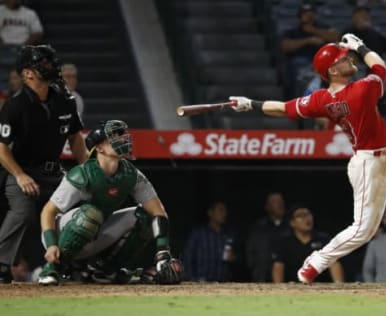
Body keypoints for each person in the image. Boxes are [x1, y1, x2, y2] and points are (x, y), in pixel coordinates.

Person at [228, 33, 386, 285]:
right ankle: (316, 261)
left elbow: (283, 107)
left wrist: (250, 104)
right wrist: (361, 45)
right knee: (363, 230)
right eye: (344, 59)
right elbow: (379, 66)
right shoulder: (360, 91)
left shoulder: (322, 99)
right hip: (369, 163)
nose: (350, 59)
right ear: (333, 70)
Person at [37, 120, 182, 285]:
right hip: (59, 234)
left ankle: (107, 270)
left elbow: (158, 212)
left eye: (122, 136)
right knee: (91, 214)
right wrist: (51, 245)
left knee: (145, 216)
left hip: (96, 230)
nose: (122, 140)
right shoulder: (83, 174)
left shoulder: (131, 175)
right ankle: (52, 269)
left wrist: (163, 251)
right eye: (114, 138)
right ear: (99, 148)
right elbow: (48, 211)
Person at [0, 45, 88, 284]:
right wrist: (19, 175)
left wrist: (90, 171)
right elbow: (2, 149)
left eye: (50, 62)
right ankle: (1, 264)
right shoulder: (15, 105)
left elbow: (76, 139)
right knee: (22, 209)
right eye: (44, 63)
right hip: (21, 169)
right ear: (28, 73)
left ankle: (82, 264)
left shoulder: (65, 100)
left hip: (53, 171)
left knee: (86, 202)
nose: (51, 66)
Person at [272, 204, 344, 283]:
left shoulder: (323, 239)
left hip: (321, 285)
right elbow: (278, 266)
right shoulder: (285, 242)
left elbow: (334, 263)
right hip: (293, 285)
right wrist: (279, 287)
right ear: (292, 223)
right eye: (300, 216)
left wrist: (338, 284)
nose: (306, 219)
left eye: (308, 214)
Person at [183, 201, 240, 282]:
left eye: (225, 210)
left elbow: (239, 259)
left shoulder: (229, 235)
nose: (224, 214)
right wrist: (191, 279)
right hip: (201, 282)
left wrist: (234, 258)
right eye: (220, 210)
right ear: (210, 213)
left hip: (224, 283)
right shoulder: (198, 234)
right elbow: (188, 257)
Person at [245, 191, 288, 282]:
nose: (280, 204)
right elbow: (250, 252)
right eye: (275, 202)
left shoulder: (291, 226)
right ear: (267, 207)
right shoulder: (258, 227)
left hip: (287, 276)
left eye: (281, 201)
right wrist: (255, 270)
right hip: (263, 276)